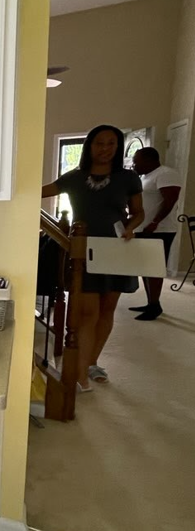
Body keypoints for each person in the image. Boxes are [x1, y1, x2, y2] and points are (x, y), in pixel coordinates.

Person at [42, 125, 144, 390]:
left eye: (111, 143)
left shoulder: (128, 177)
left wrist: (131, 228)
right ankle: (79, 374)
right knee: (88, 312)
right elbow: (38, 192)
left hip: (117, 249)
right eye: (100, 143)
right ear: (89, 146)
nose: (105, 149)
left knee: (107, 309)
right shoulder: (74, 177)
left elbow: (138, 212)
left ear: (117, 147)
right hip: (83, 249)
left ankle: (91, 362)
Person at [130, 146, 182, 320]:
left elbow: (170, 200)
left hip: (160, 229)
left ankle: (154, 305)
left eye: (136, 161)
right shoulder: (147, 177)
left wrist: (154, 222)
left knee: (154, 267)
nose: (134, 164)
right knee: (146, 267)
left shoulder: (165, 174)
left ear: (149, 160)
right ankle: (151, 303)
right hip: (145, 228)